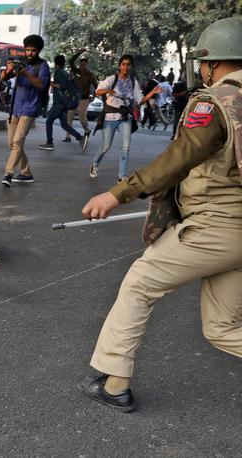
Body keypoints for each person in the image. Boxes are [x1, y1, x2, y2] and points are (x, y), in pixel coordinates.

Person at [77, 17, 242, 412]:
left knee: (140, 283)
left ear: (211, 63)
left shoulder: (215, 101)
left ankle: (115, 383)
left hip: (216, 226)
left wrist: (117, 193)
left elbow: (178, 159)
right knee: (222, 328)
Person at [89, 55, 161, 181]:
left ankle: (122, 176)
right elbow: (97, 91)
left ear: (131, 66)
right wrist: (108, 90)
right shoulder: (112, 79)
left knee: (125, 147)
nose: (125, 67)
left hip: (125, 117)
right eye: (123, 64)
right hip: (110, 117)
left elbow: (140, 100)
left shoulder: (133, 82)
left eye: (128, 64)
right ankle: (94, 164)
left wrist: (152, 93)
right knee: (106, 146)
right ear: (119, 66)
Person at [0, 34, 50, 185]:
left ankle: (8, 174)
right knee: (12, 144)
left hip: (30, 109)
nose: (29, 53)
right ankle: (26, 172)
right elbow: (2, 79)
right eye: (27, 50)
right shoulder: (21, 64)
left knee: (17, 141)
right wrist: (8, 71)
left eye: (33, 50)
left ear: (38, 50)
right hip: (15, 108)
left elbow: (41, 84)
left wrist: (25, 73)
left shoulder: (43, 66)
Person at [38, 55, 88, 152]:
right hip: (64, 103)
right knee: (64, 125)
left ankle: (49, 143)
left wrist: (53, 84)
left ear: (56, 63)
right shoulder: (64, 72)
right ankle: (80, 138)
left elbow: (63, 86)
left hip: (59, 103)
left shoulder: (58, 72)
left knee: (49, 122)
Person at [64, 49, 98, 141]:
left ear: (87, 65)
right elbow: (71, 61)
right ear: (79, 65)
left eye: (84, 65)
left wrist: (94, 96)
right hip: (73, 97)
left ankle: (87, 129)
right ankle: (68, 136)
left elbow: (96, 87)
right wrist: (80, 52)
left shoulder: (90, 75)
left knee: (81, 117)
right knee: (69, 118)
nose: (83, 66)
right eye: (81, 65)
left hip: (84, 98)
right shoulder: (76, 71)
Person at [170, 74, 188, 140]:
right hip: (179, 105)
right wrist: (181, 94)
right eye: (186, 77)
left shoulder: (194, 87)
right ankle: (174, 134)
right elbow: (173, 94)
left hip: (189, 106)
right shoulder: (178, 85)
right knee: (177, 120)